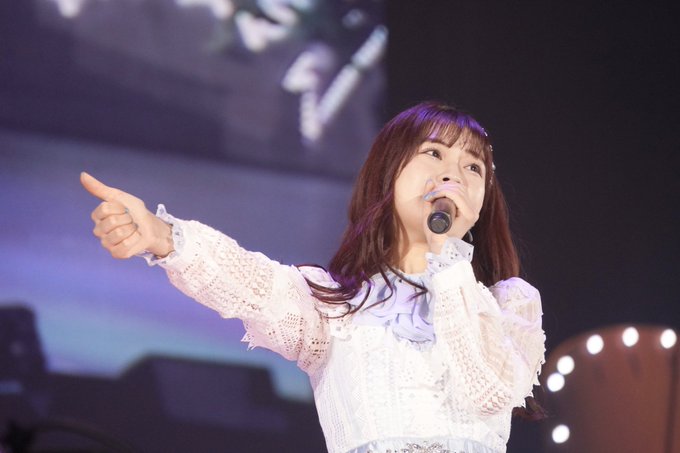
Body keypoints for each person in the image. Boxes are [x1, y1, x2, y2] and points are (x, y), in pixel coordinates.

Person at [81, 102, 545, 453]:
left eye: (473, 166)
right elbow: (250, 283)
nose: (453, 176)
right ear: (390, 171)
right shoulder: (332, 305)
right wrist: (162, 236)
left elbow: (489, 391)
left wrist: (446, 257)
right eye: (434, 153)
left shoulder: (509, 304)